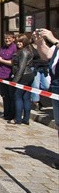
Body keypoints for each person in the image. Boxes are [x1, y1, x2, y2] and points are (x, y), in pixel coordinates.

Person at [32, 28, 59, 168]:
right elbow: (46, 55)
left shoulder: (57, 42)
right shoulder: (57, 47)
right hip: (56, 88)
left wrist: (53, 39)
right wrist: (40, 42)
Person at [10, 33, 35, 125]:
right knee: (26, 97)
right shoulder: (26, 50)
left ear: (25, 41)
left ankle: (17, 119)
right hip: (27, 75)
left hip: (23, 76)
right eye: (17, 42)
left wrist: (15, 81)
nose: (18, 43)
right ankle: (26, 119)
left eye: (21, 42)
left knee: (18, 97)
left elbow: (21, 67)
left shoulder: (24, 51)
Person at [0, 32, 17, 121]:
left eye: (9, 38)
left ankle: (11, 114)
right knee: (4, 95)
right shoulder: (3, 48)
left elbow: (13, 62)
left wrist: (2, 60)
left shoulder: (14, 48)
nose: (7, 40)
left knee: (10, 96)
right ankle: (6, 113)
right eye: (6, 38)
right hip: (2, 74)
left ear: (13, 39)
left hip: (9, 75)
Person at [31, 46, 50, 111]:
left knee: (46, 86)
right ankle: (36, 103)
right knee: (35, 86)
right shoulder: (31, 47)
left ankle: (35, 96)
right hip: (35, 68)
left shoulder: (45, 45)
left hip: (45, 67)